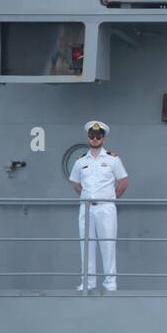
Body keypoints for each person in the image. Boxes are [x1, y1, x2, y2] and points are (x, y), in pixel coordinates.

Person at [68, 120, 128, 292]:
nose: (95, 139)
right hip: (86, 208)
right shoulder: (80, 161)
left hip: (106, 208)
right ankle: (88, 282)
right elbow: (76, 184)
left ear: (103, 138)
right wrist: (86, 197)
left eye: (98, 136)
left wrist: (110, 198)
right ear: (88, 138)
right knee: (86, 245)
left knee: (108, 244)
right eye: (92, 136)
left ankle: (110, 283)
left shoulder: (112, 159)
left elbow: (123, 183)